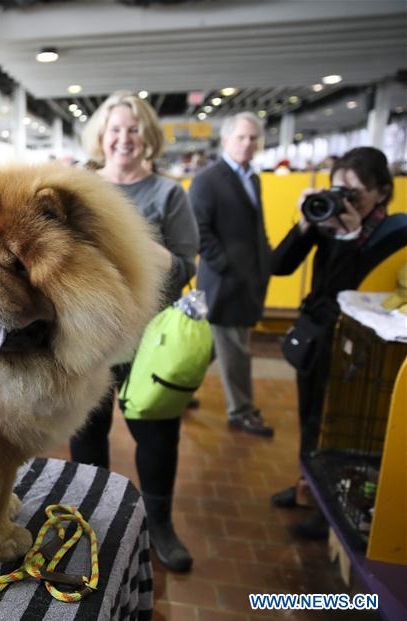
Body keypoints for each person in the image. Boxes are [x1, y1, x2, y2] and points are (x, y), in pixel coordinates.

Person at [72, 91, 199, 572]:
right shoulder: (83, 188)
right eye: (115, 130)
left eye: (132, 129)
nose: (124, 138)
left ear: (147, 135)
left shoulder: (168, 195)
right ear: (101, 137)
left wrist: (136, 239)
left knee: (157, 434)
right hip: (93, 333)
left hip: (152, 340)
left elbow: (185, 265)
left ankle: (159, 525)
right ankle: (90, 519)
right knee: (86, 431)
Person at [270, 147, 407, 539]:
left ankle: (330, 507)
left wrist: (347, 235)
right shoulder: (324, 220)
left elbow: (344, 291)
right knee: (310, 419)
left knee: (338, 430)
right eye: (337, 189)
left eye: (355, 192)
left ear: (382, 193)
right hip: (319, 342)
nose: (345, 199)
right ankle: (306, 488)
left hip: (361, 348)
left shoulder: (393, 234)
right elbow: (278, 266)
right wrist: (304, 223)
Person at [190, 112, 274, 438]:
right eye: (241, 137)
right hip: (223, 282)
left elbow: (255, 228)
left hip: (246, 278)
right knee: (236, 348)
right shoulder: (208, 180)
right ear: (226, 140)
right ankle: (242, 410)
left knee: (212, 347)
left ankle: (177, 391)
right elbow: (198, 229)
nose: (248, 143)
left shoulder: (252, 177)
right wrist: (225, 265)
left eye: (253, 138)